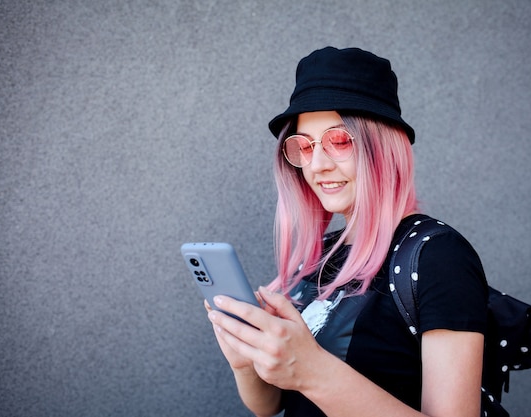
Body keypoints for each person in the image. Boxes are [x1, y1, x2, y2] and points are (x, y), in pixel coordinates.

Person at [206, 46, 488, 417]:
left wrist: (312, 371)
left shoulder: (438, 255)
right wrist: (243, 358)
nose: (317, 165)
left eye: (338, 141)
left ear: (382, 145)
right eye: (303, 146)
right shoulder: (319, 257)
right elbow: (270, 404)